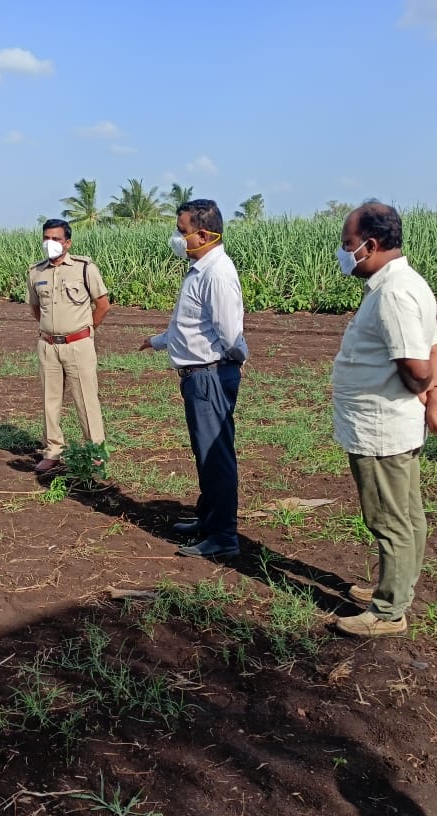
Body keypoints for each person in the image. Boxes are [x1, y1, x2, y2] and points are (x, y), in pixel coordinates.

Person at [330, 202, 437, 638]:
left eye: (348, 244)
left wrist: (423, 387)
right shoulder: (408, 283)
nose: (345, 252)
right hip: (390, 423)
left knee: (388, 518)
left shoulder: (394, 293)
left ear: (371, 244)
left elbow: (419, 363)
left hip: (380, 427)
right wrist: (432, 397)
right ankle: (396, 586)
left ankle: (388, 611)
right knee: (407, 513)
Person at [141, 199, 248, 559]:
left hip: (209, 376)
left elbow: (230, 335)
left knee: (216, 457)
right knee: (205, 454)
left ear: (203, 234)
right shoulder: (200, 269)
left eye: (182, 231)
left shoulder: (216, 274)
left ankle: (223, 537)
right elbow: (190, 326)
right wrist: (157, 342)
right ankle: (207, 519)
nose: (178, 237)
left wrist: (228, 364)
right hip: (200, 374)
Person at [27, 218, 110, 473]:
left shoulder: (85, 268)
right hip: (48, 346)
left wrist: (86, 332)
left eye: (56, 239)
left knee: (85, 399)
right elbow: (35, 307)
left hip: (78, 344)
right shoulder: (35, 272)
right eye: (46, 238)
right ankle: (53, 450)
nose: (50, 244)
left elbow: (103, 304)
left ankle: (94, 451)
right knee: (49, 401)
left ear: (68, 242)